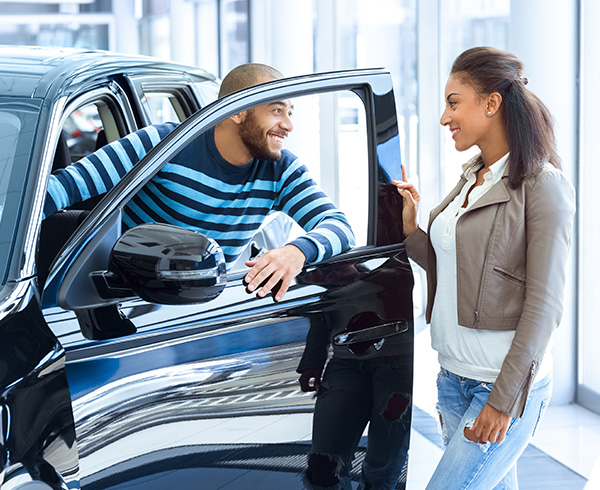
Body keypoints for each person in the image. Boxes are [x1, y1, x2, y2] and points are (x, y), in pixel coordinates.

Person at [394, 46, 576, 489]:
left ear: (491, 103)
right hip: (453, 379)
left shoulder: (542, 185)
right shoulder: (472, 176)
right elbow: (454, 266)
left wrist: (504, 400)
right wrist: (414, 230)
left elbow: (545, 303)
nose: (443, 117)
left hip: (498, 388)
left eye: (454, 102)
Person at [43, 63, 355, 301]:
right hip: (128, 300)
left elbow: (339, 226)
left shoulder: (281, 169)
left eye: (289, 112)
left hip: (204, 309)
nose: (288, 125)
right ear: (237, 111)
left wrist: (296, 252)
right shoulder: (162, 144)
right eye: (276, 110)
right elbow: (59, 190)